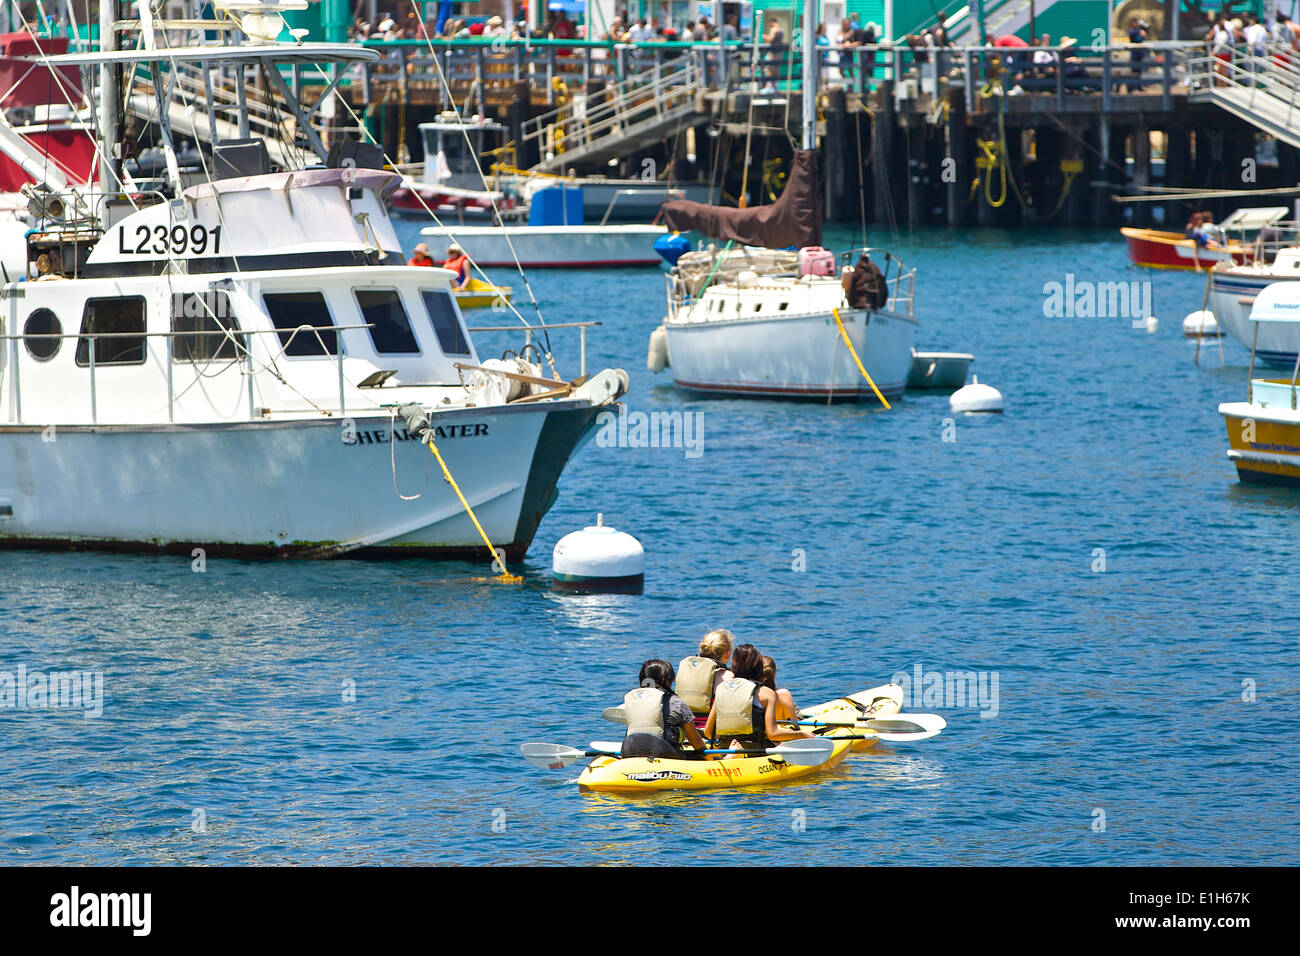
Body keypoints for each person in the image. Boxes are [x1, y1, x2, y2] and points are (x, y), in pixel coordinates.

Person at [705, 644, 814, 751]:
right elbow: (773, 734)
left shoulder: (722, 689)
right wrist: (800, 735)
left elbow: (708, 732)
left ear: (733, 665)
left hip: (726, 748)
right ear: (758, 667)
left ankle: (732, 754)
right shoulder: (766, 693)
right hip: (756, 751)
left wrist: (732, 736)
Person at [621, 660, 708, 758]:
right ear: (668, 681)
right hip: (666, 758)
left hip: (631, 755)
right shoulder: (677, 703)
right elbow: (696, 743)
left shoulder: (632, 703)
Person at [677, 628, 735, 728]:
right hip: (709, 731)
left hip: (684, 728)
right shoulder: (728, 676)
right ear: (727, 653)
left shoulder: (686, 670)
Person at [759, 655, 799, 725]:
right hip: (781, 733)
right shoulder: (783, 695)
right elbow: (794, 724)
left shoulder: (751, 695)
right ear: (774, 673)